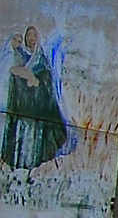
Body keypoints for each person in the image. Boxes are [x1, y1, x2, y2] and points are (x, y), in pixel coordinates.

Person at [4, 24, 71, 170]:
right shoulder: (20, 55)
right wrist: (26, 75)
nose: (31, 38)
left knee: (34, 140)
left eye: (34, 35)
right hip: (22, 108)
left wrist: (36, 80)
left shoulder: (41, 58)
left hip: (37, 110)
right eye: (29, 35)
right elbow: (14, 72)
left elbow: (46, 80)